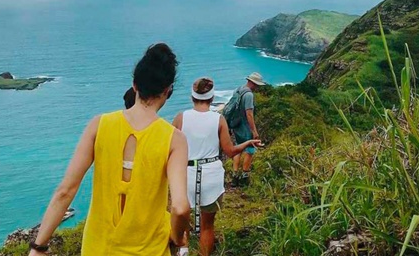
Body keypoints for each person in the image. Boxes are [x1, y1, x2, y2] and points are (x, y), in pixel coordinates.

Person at [28, 43, 190, 256]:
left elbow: (65, 191)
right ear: (168, 90)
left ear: (135, 85)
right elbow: (180, 207)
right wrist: (177, 237)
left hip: (98, 248)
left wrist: (39, 247)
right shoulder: (174, 139)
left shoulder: (99, 124)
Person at [172, 77, 260, 256]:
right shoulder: (218, 119)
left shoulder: (181, 118)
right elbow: (230, 151)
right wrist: (248, 142)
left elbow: (169, 147)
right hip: (211, 176)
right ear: (212, 98)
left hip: (186, 175)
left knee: (184, 220)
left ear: (192, 97)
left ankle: (184, 251)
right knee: (207, 226)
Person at [230, 72, 266, 187]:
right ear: (254, 83)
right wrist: (254, 131)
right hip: (244, 126)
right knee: (250, 150)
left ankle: (234, 175)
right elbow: (249, 114)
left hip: (235, 124)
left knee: (237, 149)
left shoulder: (239, 89)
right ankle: (245, 176)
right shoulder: (249, 95)